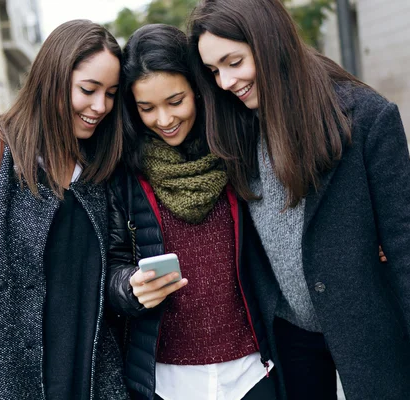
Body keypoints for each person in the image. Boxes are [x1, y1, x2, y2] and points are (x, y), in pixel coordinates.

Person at [187, 0, 410, 399]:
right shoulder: (232, 127)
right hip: (288, 336)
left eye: (234, 61)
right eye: (214, 70)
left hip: (371, 331)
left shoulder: (364, 117)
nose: (225, 81)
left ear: (269, 42)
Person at [0, 20, 128, 400]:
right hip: (7, 385)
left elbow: (108, 268)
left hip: (92, 379)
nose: (100, 106)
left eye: (111, 93)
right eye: (88, 89)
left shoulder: (100, 165)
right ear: (53, 78)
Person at [106, 24, 276, 400]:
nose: (164, 120)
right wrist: (129, 287)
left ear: (199, 90)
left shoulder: (239, 149)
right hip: (165, 379)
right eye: (146, 108)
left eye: (176, 101)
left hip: (252, 370)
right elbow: (109, 267)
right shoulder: (124, 173)